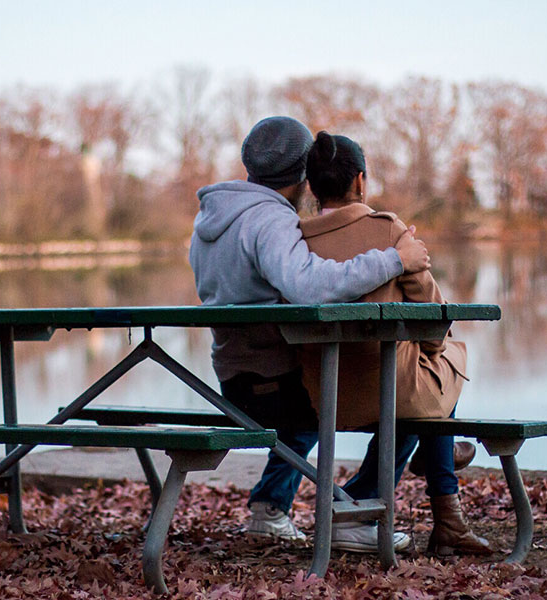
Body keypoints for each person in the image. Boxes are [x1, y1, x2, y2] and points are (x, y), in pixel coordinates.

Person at [189, 116, 429, 549]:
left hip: (233, 381)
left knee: (311, 411)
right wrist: (395, 259)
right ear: (303, 176)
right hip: (276, 386)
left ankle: (271, 507)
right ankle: (355, 512)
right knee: (404, 407)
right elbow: (311, 286)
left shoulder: (210, 221)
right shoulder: (270, 221)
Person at [297, 130, 491, 556]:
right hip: (390, 389)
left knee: (415, 388)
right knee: (444, 368)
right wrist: (434, 354)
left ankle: (427, 488)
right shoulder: (387, 230)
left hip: (324, 395)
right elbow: (434, 313)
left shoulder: (295, 241)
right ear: (361, 181)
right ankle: (447, 514)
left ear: (311, 186)